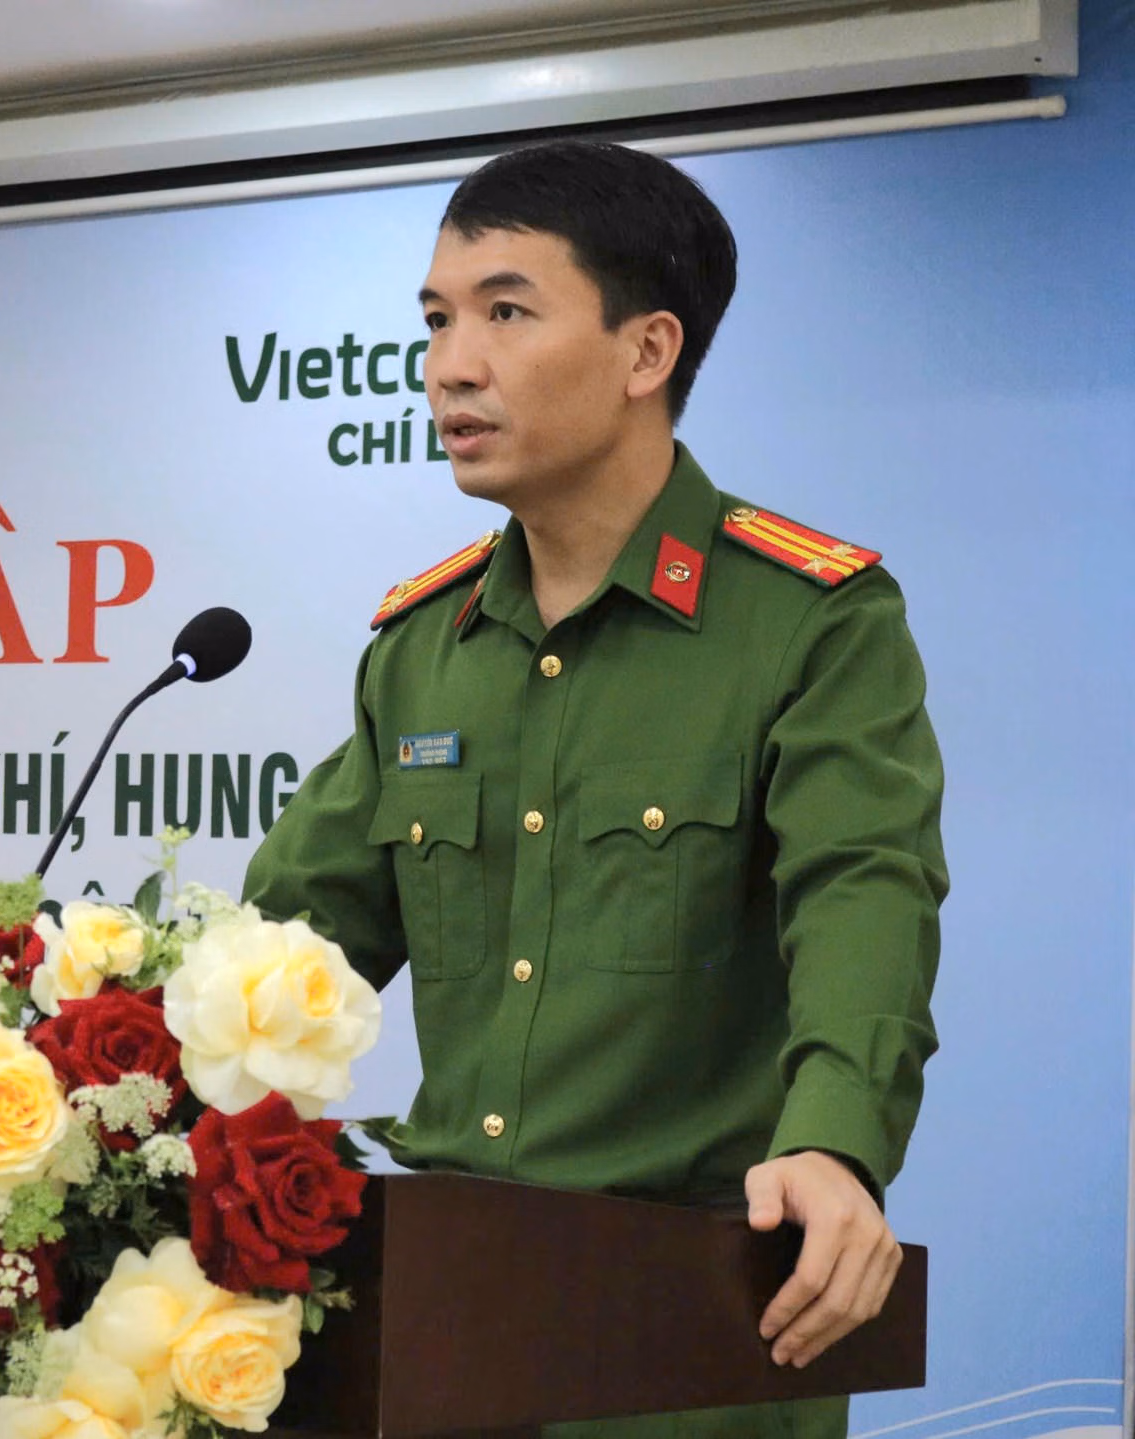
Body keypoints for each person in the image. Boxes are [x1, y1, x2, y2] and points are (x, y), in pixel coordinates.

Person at [240, 140, 945, 1439]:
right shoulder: (423, 647)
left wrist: (835, 1143)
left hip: (693, 1334)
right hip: (440, 1331)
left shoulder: (810, 622)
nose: (452, 364)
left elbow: (865, 897)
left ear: (646, 351)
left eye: (506, 312)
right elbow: (278, 958)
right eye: (438, 320)